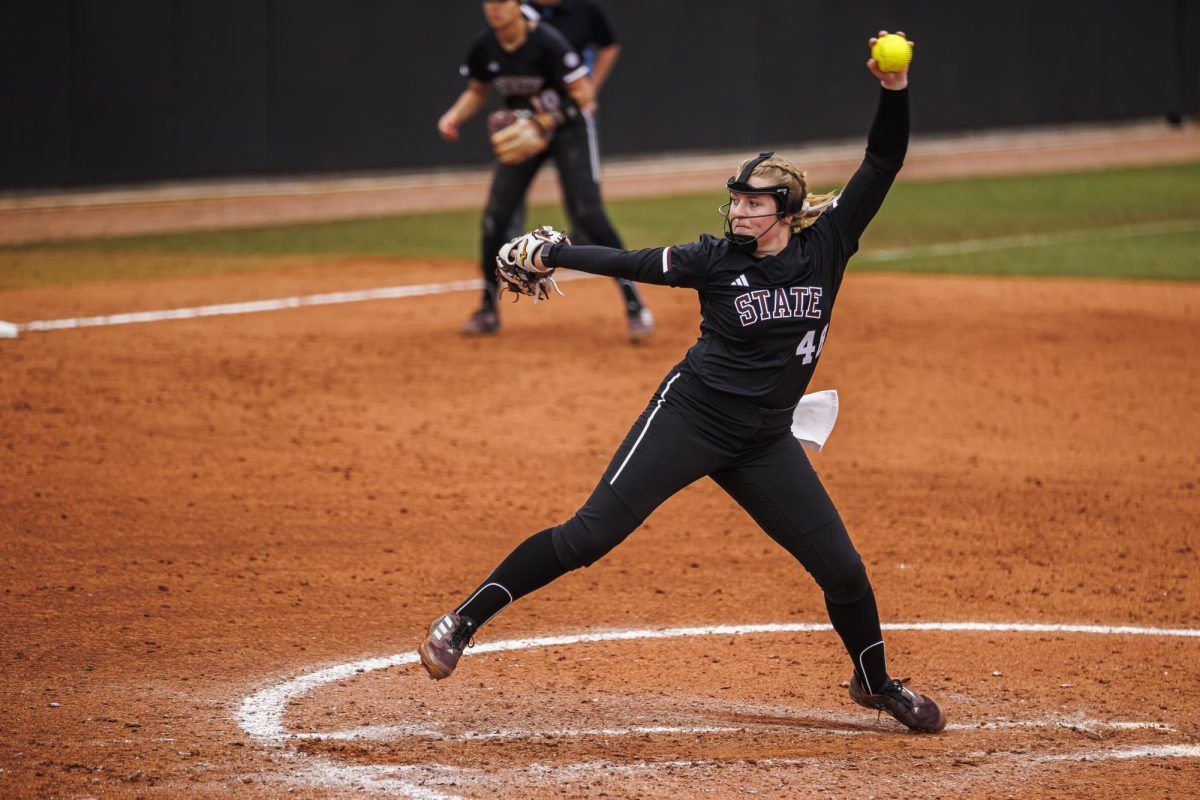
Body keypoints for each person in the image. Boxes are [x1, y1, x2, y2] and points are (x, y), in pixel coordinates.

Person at [421, 32, 946, 733]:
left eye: (753, 203)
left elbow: (883, 160)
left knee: (844, 571)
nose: (739, 212)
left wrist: (893, 89)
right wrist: (557, 252)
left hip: (764, 441)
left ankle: (875, 683)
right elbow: (634, 262)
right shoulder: (714, 259)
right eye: (735, 201)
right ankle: (462, 621)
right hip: (690, 418)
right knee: (588, 537)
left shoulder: (828, 244)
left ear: (786, 211)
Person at [438, 0, 654, 342]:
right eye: (489, 1)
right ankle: (487, 308)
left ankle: (634, 303)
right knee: (495, 219)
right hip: (524, 135)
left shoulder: (547, 41)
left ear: (517, 5)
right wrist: (453, 116)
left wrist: (546, 121)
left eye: (502, 1)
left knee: (588, 214)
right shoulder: (485, 46)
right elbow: (477, 91)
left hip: (569, 131)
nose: (494, 8)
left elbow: (583, 94)